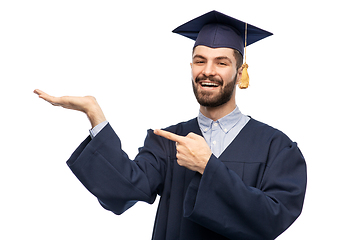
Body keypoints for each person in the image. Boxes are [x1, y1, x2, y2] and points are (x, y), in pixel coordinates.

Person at [34, 11, 306, 240]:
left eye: (221, 62)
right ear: (191, 67)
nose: (208, 71)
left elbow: (273, 219)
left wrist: (208, 166)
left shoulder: (276, 147)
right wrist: (95, 114)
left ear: (239, 72)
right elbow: (126, 189)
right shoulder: (166, 140)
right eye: (200, 61)